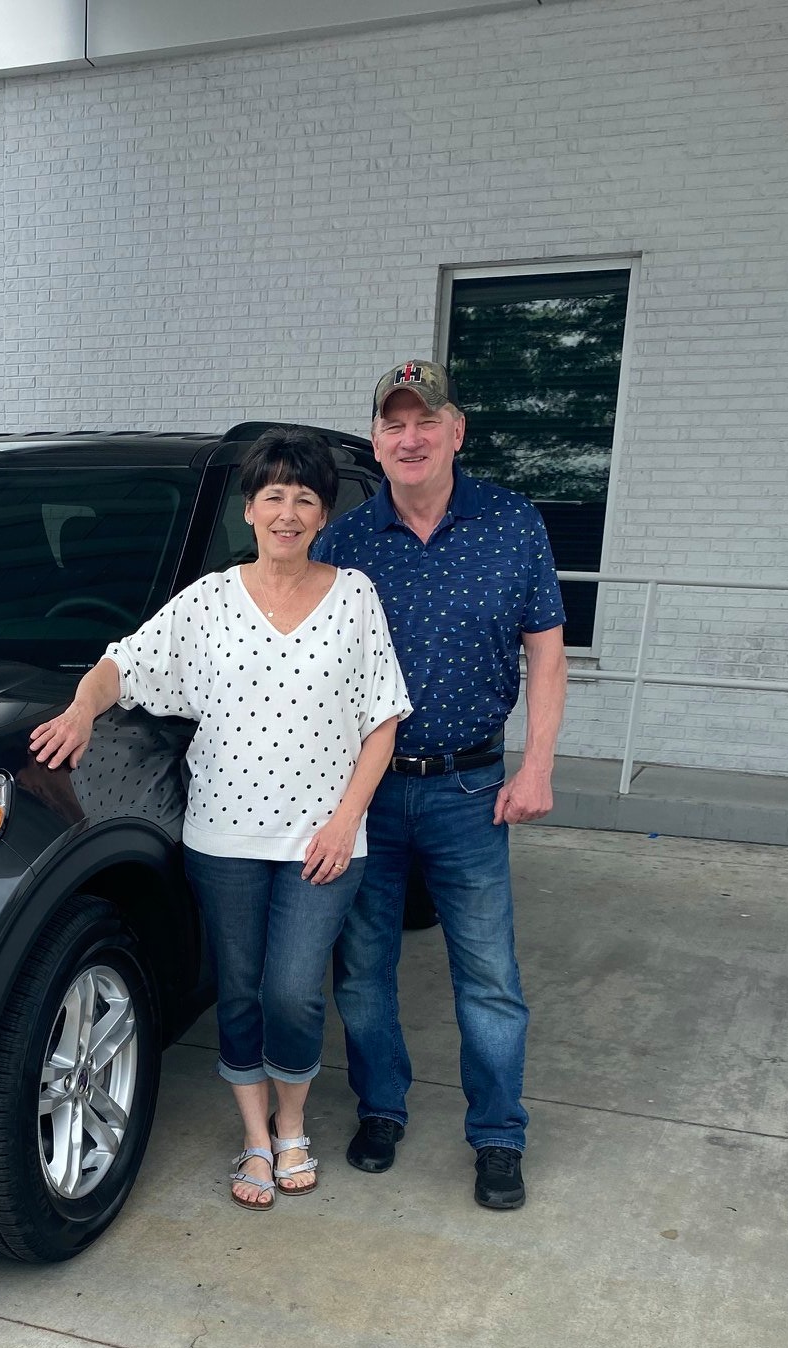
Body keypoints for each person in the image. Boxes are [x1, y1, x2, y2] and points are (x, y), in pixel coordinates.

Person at [31, 427, 411, 1211]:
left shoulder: (355, 597)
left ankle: (293, 1122)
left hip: (323, 840)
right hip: (223, 838)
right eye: (273, 495)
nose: (287, 512)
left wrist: (347, 820)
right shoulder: (209, 601)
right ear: (249, 509)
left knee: (294, 991)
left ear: (323, 514)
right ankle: (256, 1138)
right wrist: (79, 710)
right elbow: (122, 663)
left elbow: (383, 718)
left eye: (304, 498)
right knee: (239, 991)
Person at [310, 360, 568, 1211]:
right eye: (394, 424)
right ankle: (381, 1108)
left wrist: (537, 765)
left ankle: (498, 1135)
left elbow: (546, 653)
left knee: (488, 975)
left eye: (426, 421)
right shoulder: (345, 541)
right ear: (376, 441)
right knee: (363, 971)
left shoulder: (511, 522)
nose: (410, 437)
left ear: (457, 431)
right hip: (368, 793)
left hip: (471, 789)